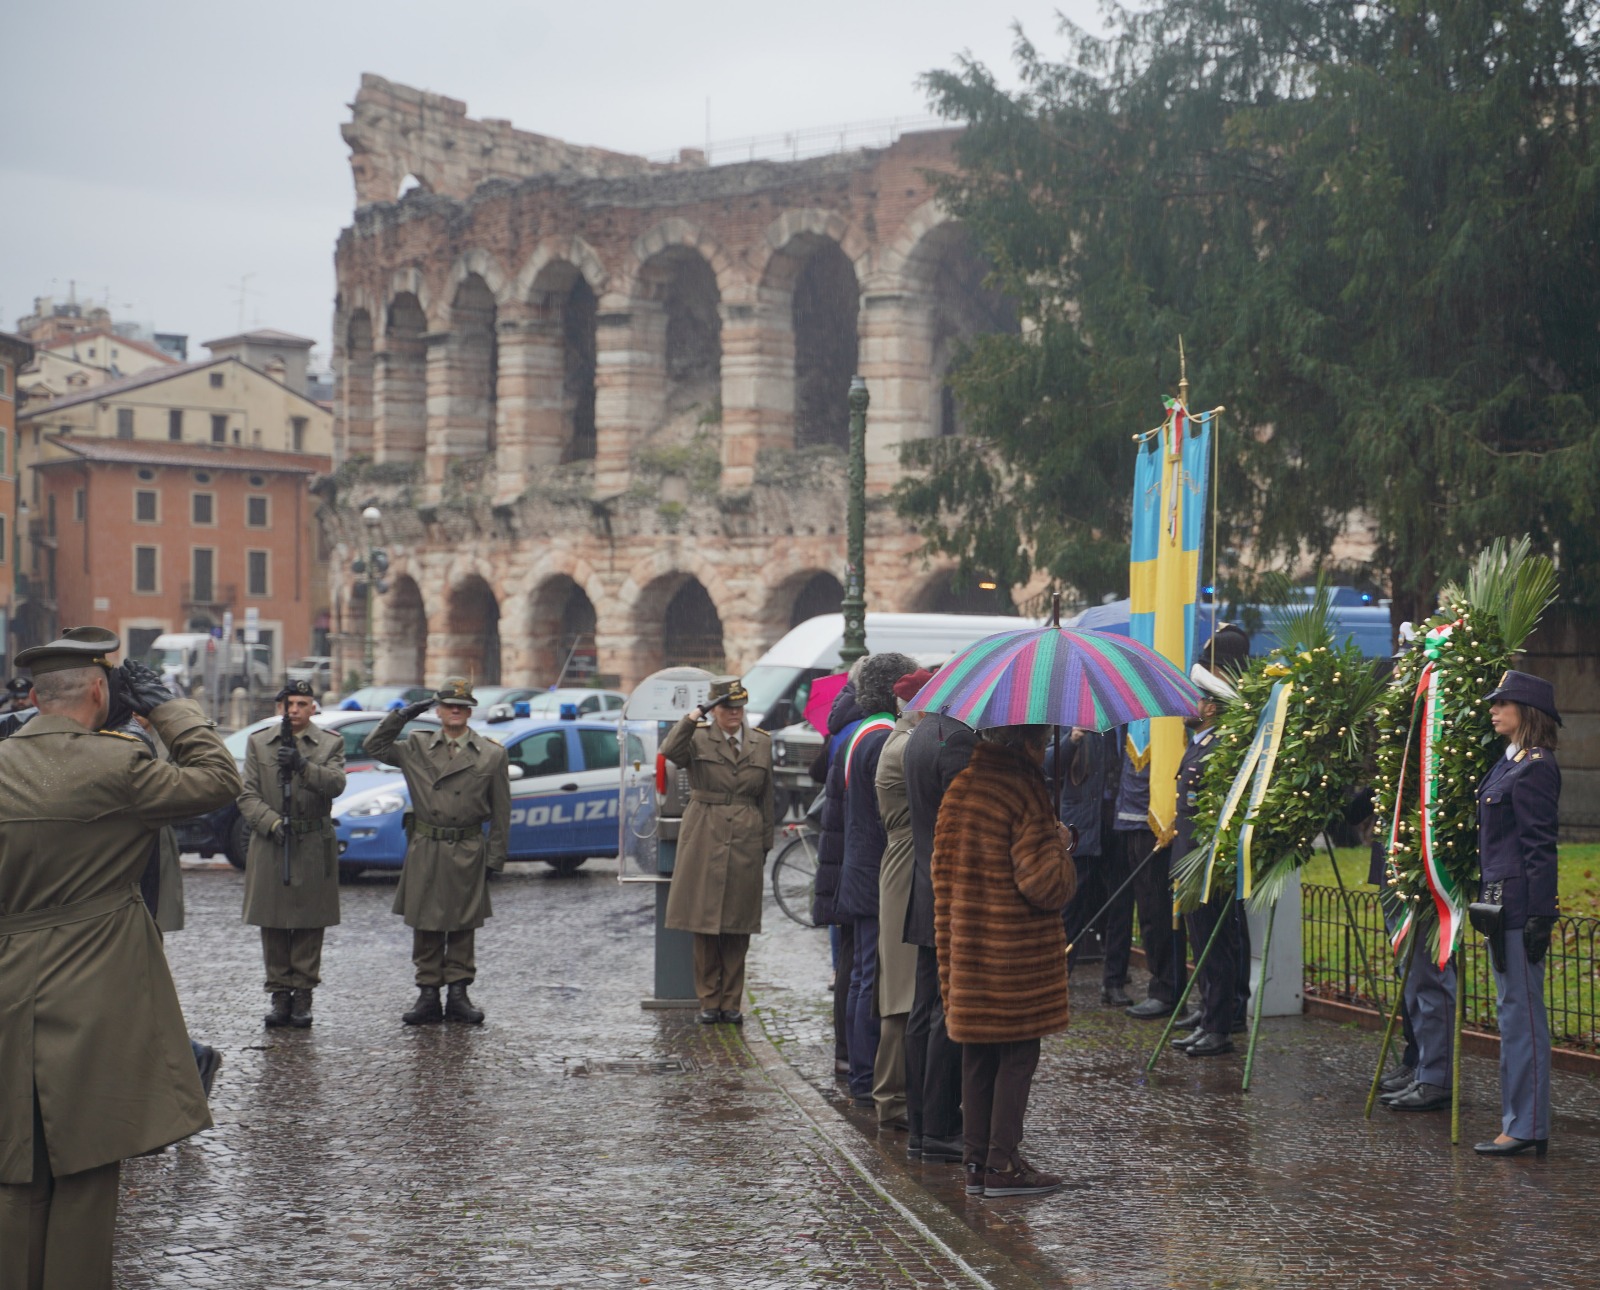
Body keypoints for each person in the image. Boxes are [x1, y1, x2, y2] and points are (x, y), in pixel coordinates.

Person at [0, 629, 240, 1288]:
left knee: (14, 1167)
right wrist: (166, 707)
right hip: (96, 989)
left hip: (6, 986)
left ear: (33, 696)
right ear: (101, 692)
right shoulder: (118, 766)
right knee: (88, 1164)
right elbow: (219, 777)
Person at [934, 723, 1077, 1198]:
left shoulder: (961, 787)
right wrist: (1061, 844)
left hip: (968, 949)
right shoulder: (1024, 789)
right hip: (1014, 955)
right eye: (1047, 740)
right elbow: (1044, 884)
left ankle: (977, 1163)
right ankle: (1004, 1164)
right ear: (1031, 743)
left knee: (978, 1054)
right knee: (1017, 1055)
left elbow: (942, 871)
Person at [365, 678, 510, 1026]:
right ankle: (428, 993)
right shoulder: (416, 745)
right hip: (427, 846)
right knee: (425, 923)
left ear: (470, 710)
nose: (455, 711)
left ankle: (458, 993)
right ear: (439, 710)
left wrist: (494, 858)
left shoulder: (491, 753)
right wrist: (402, 715)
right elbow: (374, 746)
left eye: (461, 706)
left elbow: (502, 811)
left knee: (463, 924)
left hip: (467, 846)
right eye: (448, 705)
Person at [1472, 669, 1561, 1158]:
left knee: (1523, 1017)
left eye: (1501, 703)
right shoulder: (1507, 763)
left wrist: (1540, 916)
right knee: (1512, 1015)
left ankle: (1526, 1125)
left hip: (1520, 907)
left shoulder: (1536, 766)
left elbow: (1540, 847)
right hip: (1499, 902)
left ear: (1525, 711)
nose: (1493, 709)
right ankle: (1521, 1119)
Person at [660, 675, 774, 1025]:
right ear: (714, 710)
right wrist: (694, 716)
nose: (735, 714)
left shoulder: (760, 742)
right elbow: (669, 750)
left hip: (745, 836)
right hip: (705, 834)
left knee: (738, 925)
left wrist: (765, 843)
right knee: (705, 923)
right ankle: (709, 1000)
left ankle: (732, 1002)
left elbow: (767, 796)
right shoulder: (696, 739)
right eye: (727, 707)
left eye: (739, 707)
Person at [236, 679, 347, 1028]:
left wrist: (302, 766)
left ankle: (303, 994)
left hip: (313, 842)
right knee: (273, 920)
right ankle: (279, 993)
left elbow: (336, 784)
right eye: (289, 704)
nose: (294, 710)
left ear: (313, 707)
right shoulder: (259, 743)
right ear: (279, 707)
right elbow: (247, 795)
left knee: (309, 922)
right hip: (272, 842)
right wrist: (270, 822)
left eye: (302, 703)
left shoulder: (330, 742)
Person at [837, 653, 918, 1118]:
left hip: (862, 867)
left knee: (866, 975)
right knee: (873, 978)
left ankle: (862, 1073)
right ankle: (866, 1076)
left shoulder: (862, 733)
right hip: (875, 872)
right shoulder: (882, 738)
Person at [1169, 627, 1252, 1057]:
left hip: (1207, 862)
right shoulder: (1198, 743)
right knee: (1202, 943)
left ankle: (1219, 1025)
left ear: (1212, 706)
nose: (1189, 705)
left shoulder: (1218, 746)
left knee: (1216, 947)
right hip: (1189, 857)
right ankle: (1209, 1017)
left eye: (1196, 699)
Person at [902, 706, 976, 1167]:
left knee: (924, 1010)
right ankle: (941, 1128)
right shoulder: (958, 740)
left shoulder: (923, 732)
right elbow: (962, 824)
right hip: (946, 890)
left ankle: (920, 1126)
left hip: (923, 886)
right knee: (945, 1015)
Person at [872, 667, 932, 1139]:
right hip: (907, 863)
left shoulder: (903, 740)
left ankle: (899, 1095)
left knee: (907, 988)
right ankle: (892, 1099)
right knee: (901, 992)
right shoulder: (905, 745)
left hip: (908, 859)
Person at [810, 660, 867, 1074]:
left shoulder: (840, 724)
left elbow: (818, 771)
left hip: (841, 844)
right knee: (857, 955)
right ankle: (853, 1056)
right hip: (855, 848)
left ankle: (847, 1054)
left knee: (847, 946)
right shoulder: (861, 731)